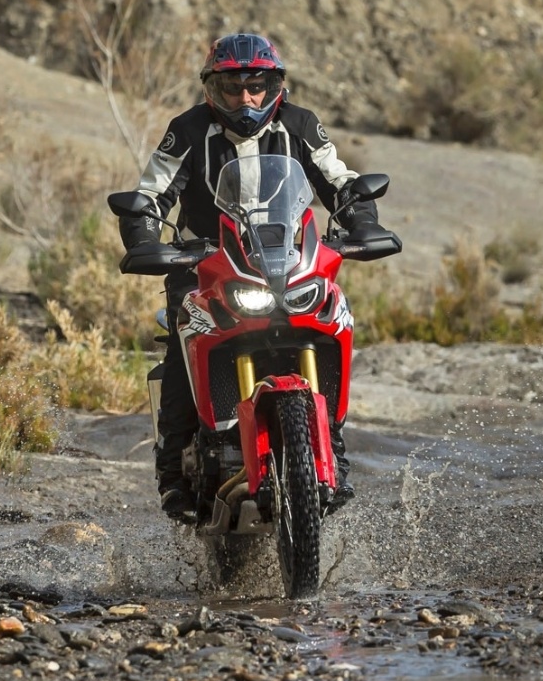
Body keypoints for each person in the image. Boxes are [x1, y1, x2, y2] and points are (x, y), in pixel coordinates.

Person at [117, 31, 386, 523]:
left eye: (257, 86)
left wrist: (363, 224)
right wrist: (144, 238)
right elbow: (151, 194)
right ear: (211, 89)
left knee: (332, 319)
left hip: (290, 259)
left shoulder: (300, 124)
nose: (246, 98)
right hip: (208, 266)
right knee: (184, 343)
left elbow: (341, 182)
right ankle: (173, 473)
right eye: (233, 87)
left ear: (274, 85)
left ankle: (334, 452)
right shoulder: (189, 129)